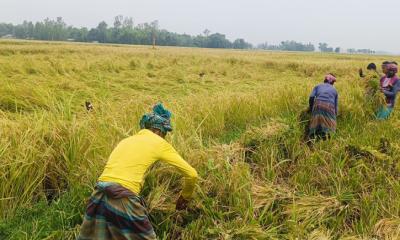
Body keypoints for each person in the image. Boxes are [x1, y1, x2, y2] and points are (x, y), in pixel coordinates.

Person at [78, 103, 198, 240]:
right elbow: (192, 174)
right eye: (164, 133)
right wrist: (185, 197)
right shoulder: (159, 142)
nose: (164, 137)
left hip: (98, 194)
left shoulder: (126, 140)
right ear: (158, 131)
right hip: (123, 198)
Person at [308, 74, 338, 140]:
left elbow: (311, 97)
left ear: (324, 80)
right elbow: (336, 106)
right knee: (331, 124)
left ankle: (313, 136)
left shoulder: (318, 86)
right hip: (329, 106)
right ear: (332, 82)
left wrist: (311, 109)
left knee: (315, 119)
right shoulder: (334, 90)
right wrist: (334, 116)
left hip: (317, 104)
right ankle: (327, 137)